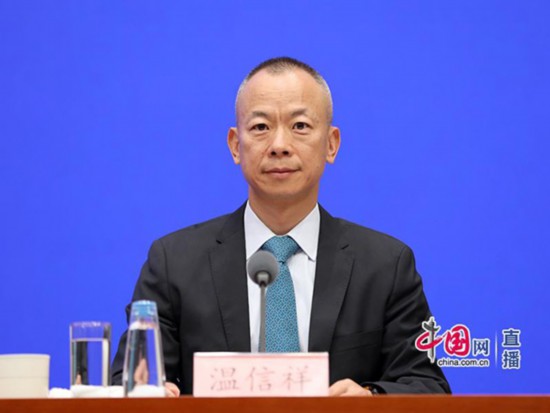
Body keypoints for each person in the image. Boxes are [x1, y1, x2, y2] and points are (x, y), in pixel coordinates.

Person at [112, 57, 451, 396]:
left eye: (300, 126)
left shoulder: (385, 266)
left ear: (331, 144)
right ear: (235, 145)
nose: (279, 146)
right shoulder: (174, 263)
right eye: (261, 127)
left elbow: (427, 385)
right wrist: (149, 394)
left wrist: (370, 398)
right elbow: (126, 384)